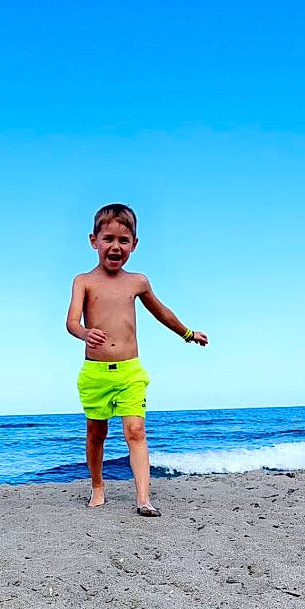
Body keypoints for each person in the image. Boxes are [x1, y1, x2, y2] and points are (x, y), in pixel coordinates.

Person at [66, 203, 208, 515]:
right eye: (108, 239)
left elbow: (161, 312)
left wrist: (188, 334)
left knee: (136, 430)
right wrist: (84, 333)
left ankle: (143, 498)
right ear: (94, 241)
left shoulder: (137, 282)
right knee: (96, 433)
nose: (115, 247)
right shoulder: (83, 281)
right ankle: (98, 486)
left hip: (130, 371)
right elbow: (71, 322)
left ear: (134, 244)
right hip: (95, 373)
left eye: (123, 240)